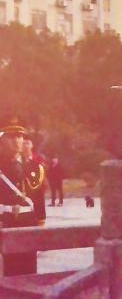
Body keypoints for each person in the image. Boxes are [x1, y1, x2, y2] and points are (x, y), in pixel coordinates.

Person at [0, 116, 36, 275]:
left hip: (28, 221)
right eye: (11, 137)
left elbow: (37, 194)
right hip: (6, 220)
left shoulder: (32, 165)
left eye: (20, 136)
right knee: (11, 272)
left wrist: (27, 162)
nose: (16, 141)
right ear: (2, 141)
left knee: (30, 270)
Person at [22, 136, 46, 225]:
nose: (25, 146)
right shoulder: (17, 161)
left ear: (32, 145)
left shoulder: (38, 160)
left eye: (27, 143)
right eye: (23, 143)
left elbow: (40, 180)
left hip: (36, 193)